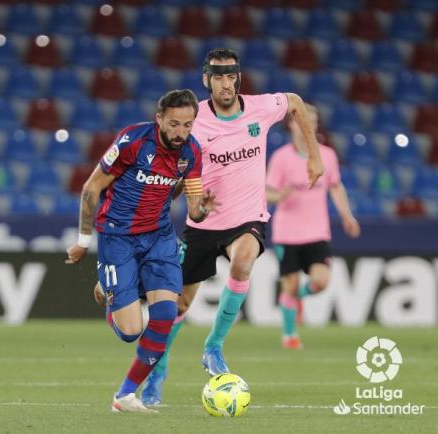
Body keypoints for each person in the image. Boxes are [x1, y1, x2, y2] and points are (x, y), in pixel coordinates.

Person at [139, 48, 325, 406]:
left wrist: (314, 155)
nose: (225, 84)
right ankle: (157, 372)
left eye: (231, 76)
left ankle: (214, 346)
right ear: (206, 80)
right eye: (218, 77)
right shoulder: (194, 120)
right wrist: (193, 196)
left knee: (244, 261)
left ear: (238, 77)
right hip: (203, 223)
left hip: (247, 218)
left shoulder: (260, 107)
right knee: (177, 307)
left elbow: (297, 102)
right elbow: (176, 179)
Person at [66, 89, 216, 413]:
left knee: (167, 313)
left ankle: (125, 395)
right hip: (117, 238)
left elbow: (193, 207)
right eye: (174, 124)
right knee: (130, 332)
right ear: (159, 118)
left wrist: (202, 209)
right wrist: (82, 240)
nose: (181, 132)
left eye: (188, 125)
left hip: (160, 237)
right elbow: (92, 188)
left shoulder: (192, 152)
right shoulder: (132, 141)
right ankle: (111, 293)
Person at [266, 103, 360, 349]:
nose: (310, 125)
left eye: (314, 121)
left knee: (321, 281)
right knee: (290, 284)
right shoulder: (281, 158)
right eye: (304, 120)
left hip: (317, 231)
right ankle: (290, 336)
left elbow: (336, 186)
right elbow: (267, 193)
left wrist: (347, 216)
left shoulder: (326, 155)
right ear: (292, 124)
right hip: (287, 233)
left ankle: (298, 298)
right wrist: (281, 195)